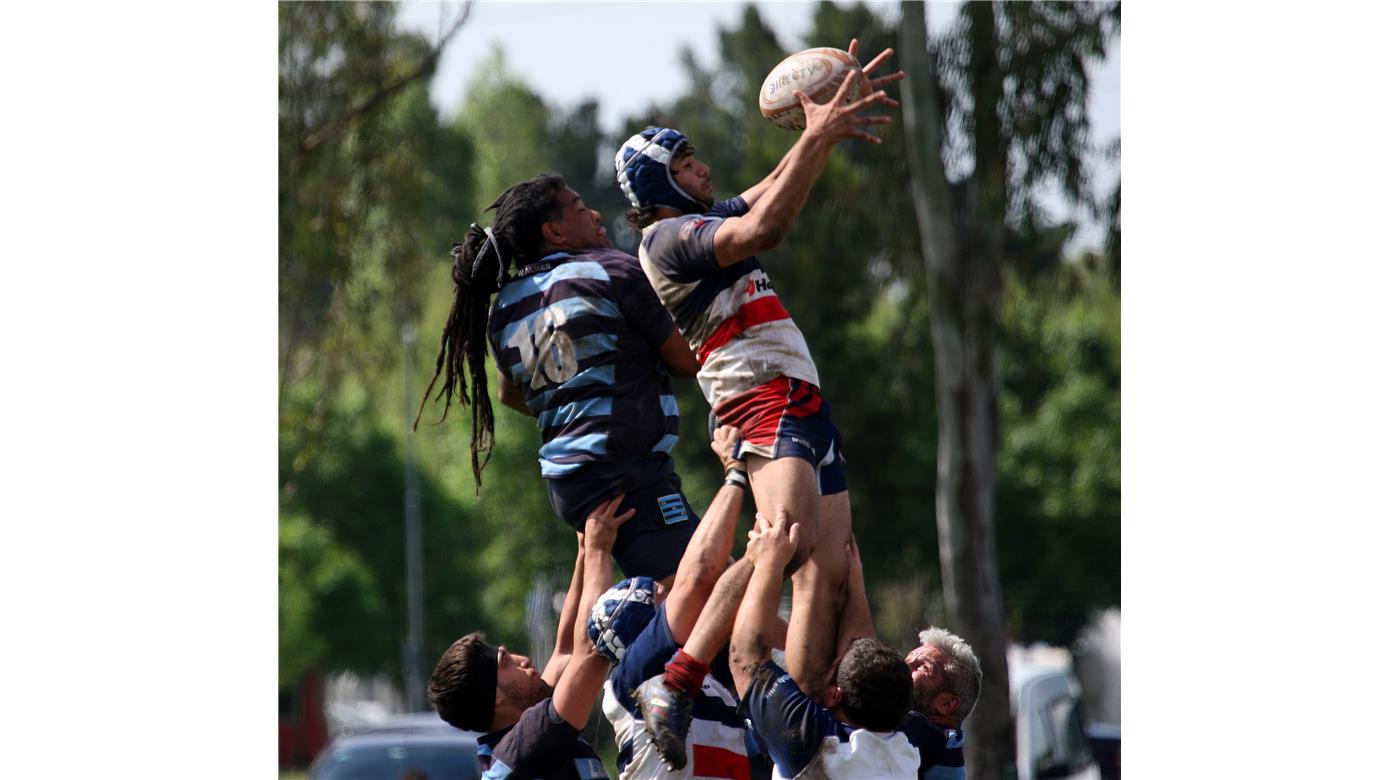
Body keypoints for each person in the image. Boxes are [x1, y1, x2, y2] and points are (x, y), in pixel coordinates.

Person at [613, 40, 905, 695]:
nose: (705, 170)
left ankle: (813, 727)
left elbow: (768, 188)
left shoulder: (699, 221)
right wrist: (819, 135)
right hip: (758, 398)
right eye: (689, 165)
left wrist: (824, 127)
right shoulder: (667, 240)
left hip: (798, 398)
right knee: (786, 544)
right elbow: (768, 225)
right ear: (662, 184)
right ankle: (681, 680)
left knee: (825, 583)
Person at [415, 173, 702, 586]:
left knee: (692, 592)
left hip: (568, 483)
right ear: (554, 231)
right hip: (625, 473)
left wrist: (576, 408)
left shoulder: (506, 307)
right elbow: (687, 361)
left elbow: (509, 393)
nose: (597, 214)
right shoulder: (610, 270)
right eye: (582, 209)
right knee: (701, 593)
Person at [426, 495, 633, 780]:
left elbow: (567, 651)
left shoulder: (513, 740)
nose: (522, 659)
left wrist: (585, 550)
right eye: (505, 663)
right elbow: (592, 650)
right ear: (496, 697)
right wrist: (599, 550)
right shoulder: (528, 746)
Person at [595, 425, 756, 778]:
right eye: (658, 596)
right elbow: (700, 577)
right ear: (648, 632)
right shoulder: (638, 675)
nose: (669, 590)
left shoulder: (699, 675)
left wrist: (593, 551)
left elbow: (720, 588)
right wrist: (735, 473)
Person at [728, 508, 919, 779]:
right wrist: (855, 585)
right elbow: (862, 652)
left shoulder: (814, 743)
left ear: (833, 694)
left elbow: (745, 656)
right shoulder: (903, 750)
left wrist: (767, 562)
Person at [903, 627, 983, 780]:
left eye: (922, 667)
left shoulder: (922, 733)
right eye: (906, 662)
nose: (903, 668)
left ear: (947, 704)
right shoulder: (947, 743)